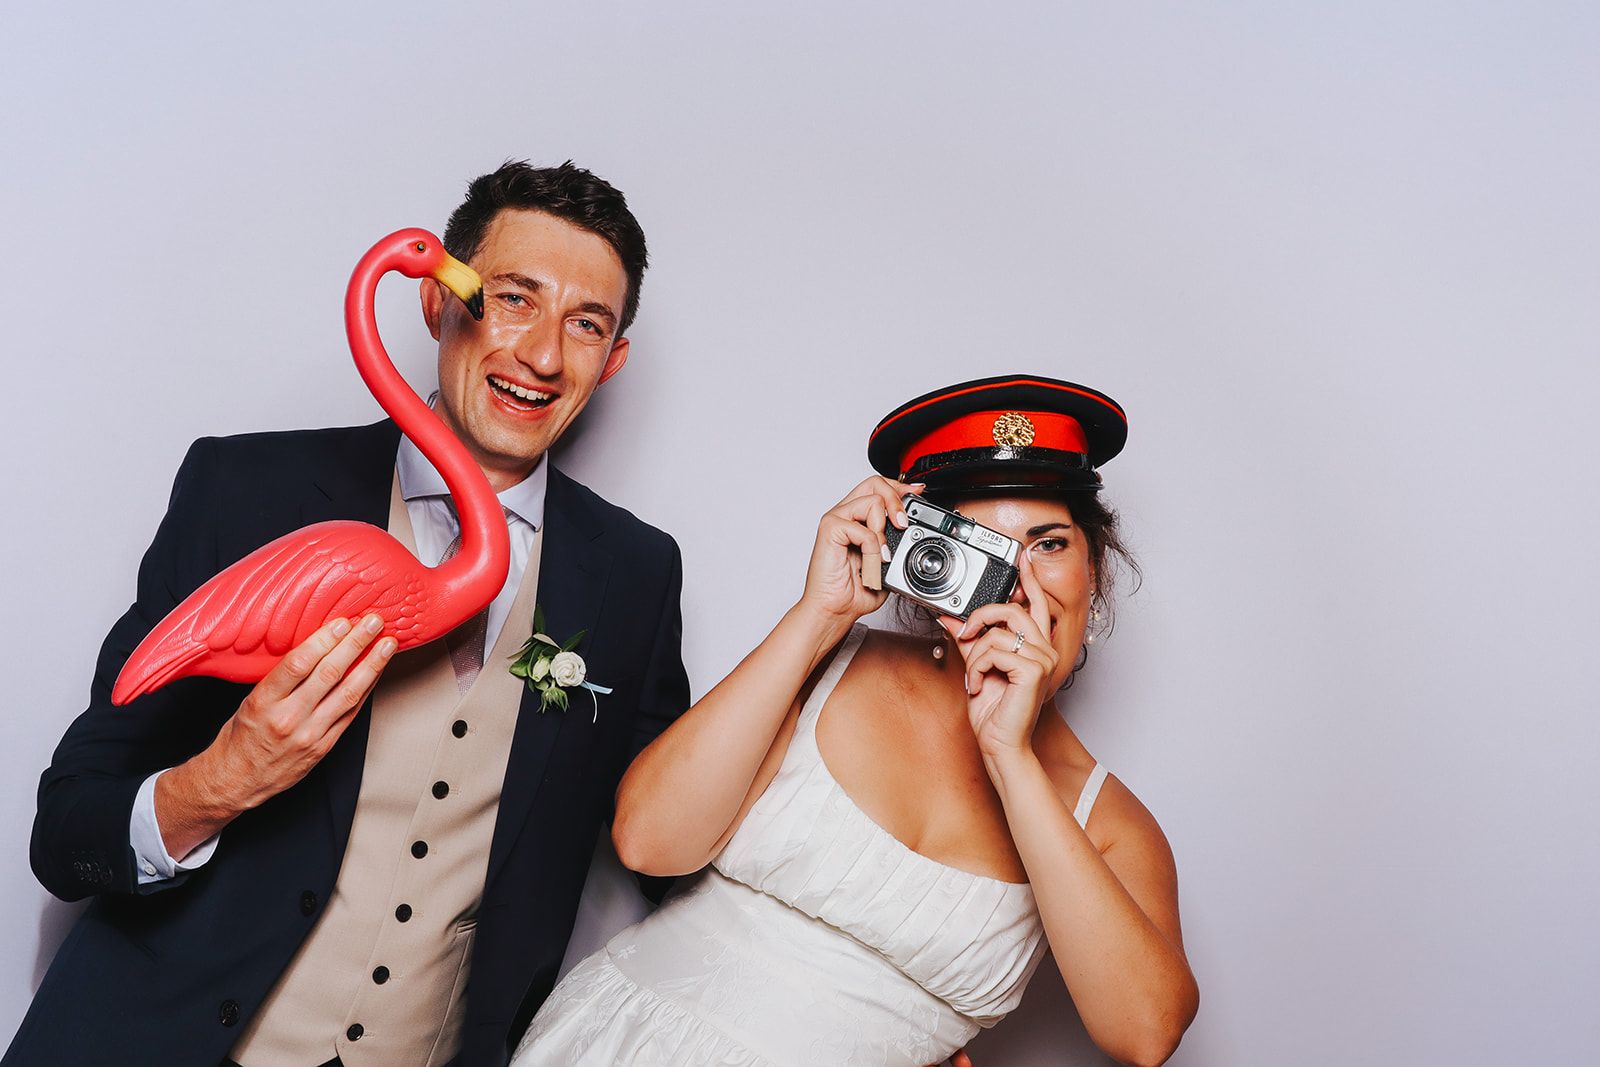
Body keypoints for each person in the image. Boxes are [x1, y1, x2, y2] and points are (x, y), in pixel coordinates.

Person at [6, 161, 690, 1067]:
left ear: (614, 360)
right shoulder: (247, 490)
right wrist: (220, 781)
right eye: (514, 300)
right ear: (438, 303)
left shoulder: (636, 575)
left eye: (586, 324)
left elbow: (672, 850)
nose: (543, 356)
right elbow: (67, 829)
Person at [512, 374, 1200, 1066]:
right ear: (933, 555)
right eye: (985, 546)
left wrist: (1011, 755)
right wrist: (818, 615)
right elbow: (648, 841)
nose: (1019, 579)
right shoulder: (835, 658)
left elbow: (1146, 1032)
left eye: (1049, 543)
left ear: (1095, 565)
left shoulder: (1111, 823)